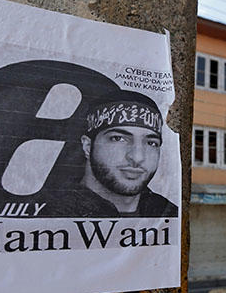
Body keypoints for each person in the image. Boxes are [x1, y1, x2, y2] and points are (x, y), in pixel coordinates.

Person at [42, 90, 178, 218]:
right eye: (118, 138)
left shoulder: (167, 212)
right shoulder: (54, 216)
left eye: (151, 143)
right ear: (88, 146)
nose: (137, 158)